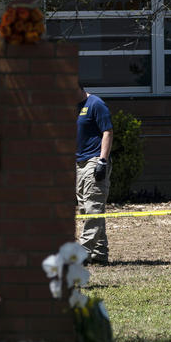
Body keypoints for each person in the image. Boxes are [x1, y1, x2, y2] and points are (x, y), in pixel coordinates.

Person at [76, 83, 113, 265]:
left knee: (93, 208)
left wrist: (102, 161)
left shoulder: (95, 104)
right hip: (79, 164)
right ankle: (99, 252)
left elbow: (108, 132)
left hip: (94, 160)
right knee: (87, 208)